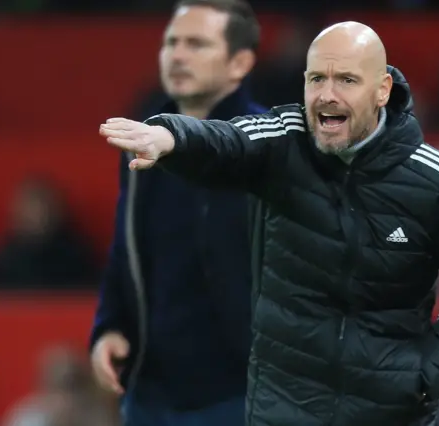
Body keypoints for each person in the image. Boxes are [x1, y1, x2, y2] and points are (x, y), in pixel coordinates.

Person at [99, 21, 439, 426]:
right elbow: (229, 140)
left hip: (391, 415)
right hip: (282, 412)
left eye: (346, 81)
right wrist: (171, 137)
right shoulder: (283, 140)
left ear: (382, 90)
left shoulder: (434, 179)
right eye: (316, 79)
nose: (326, 95)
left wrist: (426, 375)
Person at [90, 1, 265, 425]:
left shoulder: (267, 145)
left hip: (242, 393)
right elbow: (127, 247)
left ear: (239, 62)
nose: (178, 54)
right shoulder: (142, 139)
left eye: (197, 44)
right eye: (172, 42)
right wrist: (109, 326)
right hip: (152, 391)